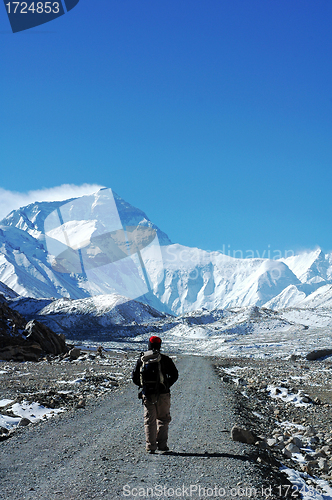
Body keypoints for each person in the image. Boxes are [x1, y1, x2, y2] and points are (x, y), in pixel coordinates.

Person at [132, 336, 178, 454]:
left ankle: (150, 446)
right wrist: (166, 386)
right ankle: (162, 445)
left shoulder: (142, 359)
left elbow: (134, 377)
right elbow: (175, 375)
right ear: (159, 345)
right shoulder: (165, 359)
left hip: (147, 394)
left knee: (150, 420)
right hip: (163, 394)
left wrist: (144, 386)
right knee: (163, 419)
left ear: (149, 344)